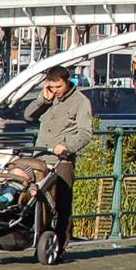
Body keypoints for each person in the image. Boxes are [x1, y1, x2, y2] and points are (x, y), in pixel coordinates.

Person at [23, 65, 94, 255]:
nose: (55, 91)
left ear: (67, 82)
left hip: (62, 160)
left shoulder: (81, 102)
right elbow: (27, 115)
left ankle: (60, 246)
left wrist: (67, 146)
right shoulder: (48, 98)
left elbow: (86, 133)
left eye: (58, 87)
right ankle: (39, 240)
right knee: (36, 200)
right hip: (40, 157)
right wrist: (43, 99)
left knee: (62, 203)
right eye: (52, 87)